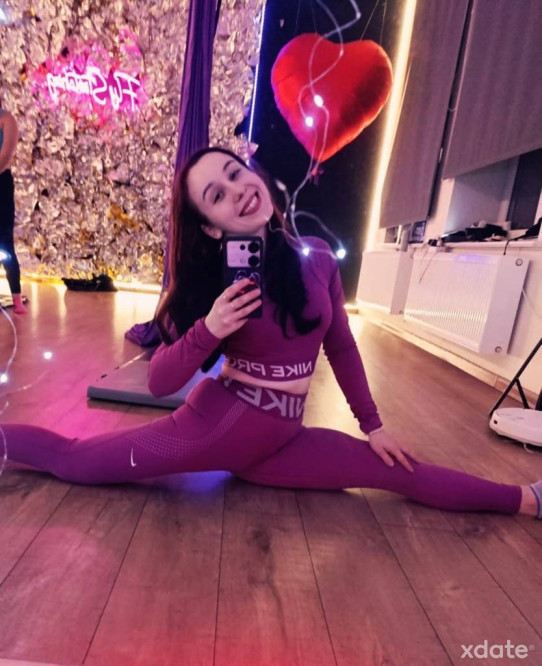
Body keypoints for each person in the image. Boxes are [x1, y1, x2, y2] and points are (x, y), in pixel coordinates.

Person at [2, 147, 541, 519]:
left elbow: (341, 346)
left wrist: (373, 426)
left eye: (236, 174)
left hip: (280, 443)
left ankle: (530, 499)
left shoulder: (319, 258)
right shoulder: (215, 285)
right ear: (210, 226)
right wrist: (210, 327)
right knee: (76, 460)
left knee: (397, 469)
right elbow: (162, 381)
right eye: (216, 195)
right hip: (216, 427)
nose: (237, 191)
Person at [0, 105, 26, 314]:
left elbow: (5, 156)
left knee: (4, 241)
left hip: (1, 182)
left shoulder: (7, 119)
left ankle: (17, 298)